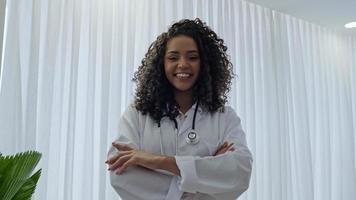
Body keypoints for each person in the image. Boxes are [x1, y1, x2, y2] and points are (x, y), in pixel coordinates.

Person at [106, 18, 253, 200]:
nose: (183, 64)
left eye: (192, 57)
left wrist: (155, 161)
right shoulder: (137, 114)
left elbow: (239, 172)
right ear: (162, 64)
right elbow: (120, 174)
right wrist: (206, 174)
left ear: (205, 64)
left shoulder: (225, 117)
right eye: (173, 57)